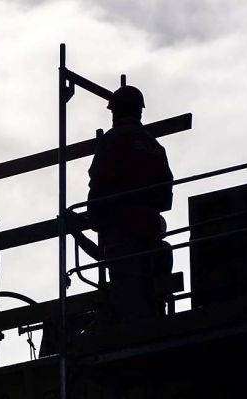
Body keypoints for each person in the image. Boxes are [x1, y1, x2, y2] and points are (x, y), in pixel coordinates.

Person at [87, 85, 174, 323]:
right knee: (150, 291)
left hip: (121, 229)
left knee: (129, 297)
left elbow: (100, 180)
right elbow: (166, 196)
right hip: (150, 229)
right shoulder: (154, 145)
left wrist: (93, 216)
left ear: (115, 111)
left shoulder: (112, 140)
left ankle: (137, 333)